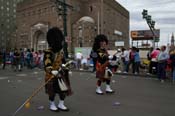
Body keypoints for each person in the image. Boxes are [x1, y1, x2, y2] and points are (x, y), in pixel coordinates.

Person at [43, 27, 72, 112]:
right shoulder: (48, 52)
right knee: (52, 91)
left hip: (60, 74)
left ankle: (61, 104)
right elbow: (47, 63)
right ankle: (52, 104)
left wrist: (65, 66)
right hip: (51, 75)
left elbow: (63, 62)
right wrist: (51, 70)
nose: (62, 43)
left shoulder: (61, 52)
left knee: (63, 90)